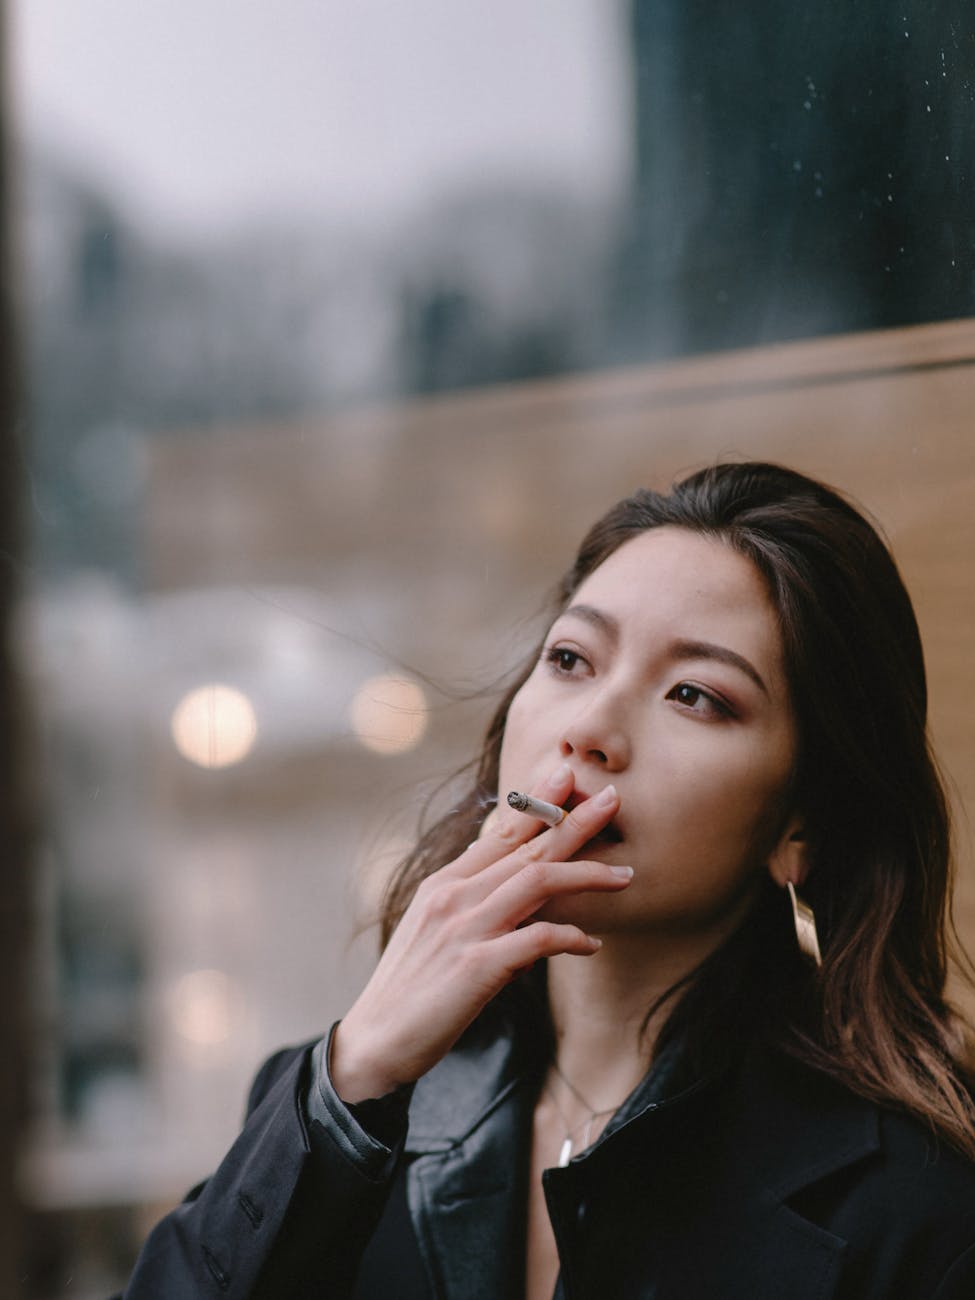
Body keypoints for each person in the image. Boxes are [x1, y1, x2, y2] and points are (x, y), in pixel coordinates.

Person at [120, 462, 975, 1299]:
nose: (591, 728)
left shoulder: (912, 1205)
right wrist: (358, 1069)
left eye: (693, 695)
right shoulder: (339, 1106)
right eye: (570, 659)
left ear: (799, 828)